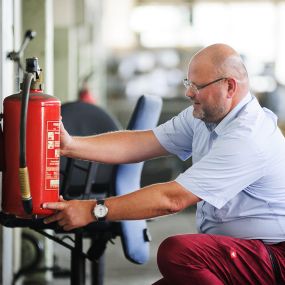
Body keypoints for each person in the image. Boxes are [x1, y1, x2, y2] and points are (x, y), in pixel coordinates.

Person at [43, 43, 285, 285]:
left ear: (229, 86)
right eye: (188, 84)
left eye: (197, 86)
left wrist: (92, 210)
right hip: (237, 253)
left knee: (178, 252)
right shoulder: (203, 117)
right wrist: (70, 146)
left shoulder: (249, 136)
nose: (189, 93)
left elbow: (172, 199)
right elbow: (141, 143)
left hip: (273, 258)